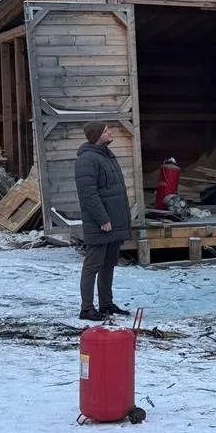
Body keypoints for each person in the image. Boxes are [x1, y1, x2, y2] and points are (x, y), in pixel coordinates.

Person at [74, 121, 132, 321]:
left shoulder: (106, 155)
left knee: (109, 264)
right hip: (101, 223)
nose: (110, 133)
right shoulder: (87, 160)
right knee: (93, 265)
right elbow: (88, 194)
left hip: (114, 222)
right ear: (97, 135)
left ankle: (106, 304)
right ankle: (87, 308)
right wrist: (102, 219)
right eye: (106, 130)